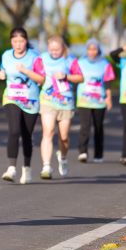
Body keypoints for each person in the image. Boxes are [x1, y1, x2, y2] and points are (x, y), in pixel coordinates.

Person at [0, 27, 44, 184]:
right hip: (12, 98)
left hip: (30, 100)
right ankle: (11, 168)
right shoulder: (6, 55)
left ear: (26, 41)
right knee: (14, 130)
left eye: (21, 41)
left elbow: (41, 79)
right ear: (11, 41)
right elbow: (2, 69)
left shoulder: (34, 57)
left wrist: (25, 71)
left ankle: (27, 168)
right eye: (15, 41)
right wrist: (1, 73)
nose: (18, 44)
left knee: (26, 135)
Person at [39, 35, 83, 179]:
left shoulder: (70, 60)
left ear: (63, 47)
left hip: (65, 102)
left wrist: (66, 76)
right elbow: (36, 74)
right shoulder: (42, 58)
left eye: (57, 49)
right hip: (47, 100)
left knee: (64, 137)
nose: (54, 52)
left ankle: (63, 157)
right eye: (51, 49)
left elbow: (80, 77)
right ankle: (46, 166)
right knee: (48, 132)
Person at [76, 39, 115, 163]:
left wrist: (109, 98)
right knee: (85, 126)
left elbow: (108, 82)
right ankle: (83, 152)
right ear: (86, 50)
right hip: (84, 100)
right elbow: (74, 78)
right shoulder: (80, 62)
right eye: (89, 49)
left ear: (98, 50)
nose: (92, 52)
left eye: (94, 49)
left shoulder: (105, 64)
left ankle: (98, 154)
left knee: (98, 127)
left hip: (100, 101)